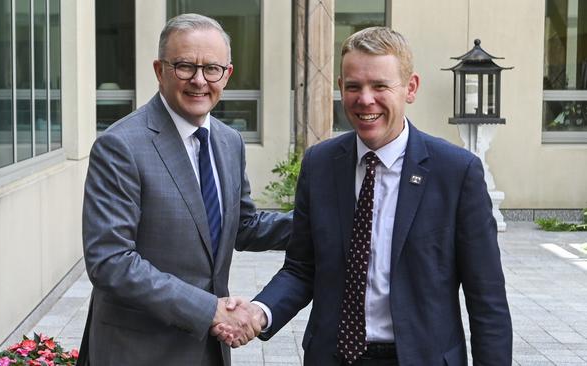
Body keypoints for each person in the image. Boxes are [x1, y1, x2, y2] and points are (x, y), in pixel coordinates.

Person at [221, 27, 513, 365]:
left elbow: (486, 299)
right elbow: (302, 268)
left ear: (410, 88)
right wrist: (259, 312)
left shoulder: (456, 172)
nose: (365, 99)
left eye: (380, 86)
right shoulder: (320, 165)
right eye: (353, 86)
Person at [78, 13, 291, 366]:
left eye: (212, 69)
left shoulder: (228, 141)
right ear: (159, 70)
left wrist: (326, 217)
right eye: (184, 66)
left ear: (228, 74)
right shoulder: (120, 145)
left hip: (209, 352)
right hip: (138, 351)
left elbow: (244, 226)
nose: (199, 80)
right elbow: (111, 261)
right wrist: (211, 310)